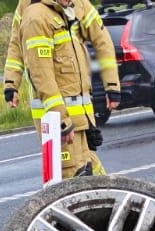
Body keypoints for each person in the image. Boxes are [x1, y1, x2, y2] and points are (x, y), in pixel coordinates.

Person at [20, 0, 121, 177]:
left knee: (94, 175)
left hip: (78, 122)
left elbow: (73, 77)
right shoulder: (36, 17)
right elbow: (42, 76)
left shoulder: (62, 12)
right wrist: (62, 121)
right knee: (72, 178)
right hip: (61, 124)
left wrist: (88, 123)